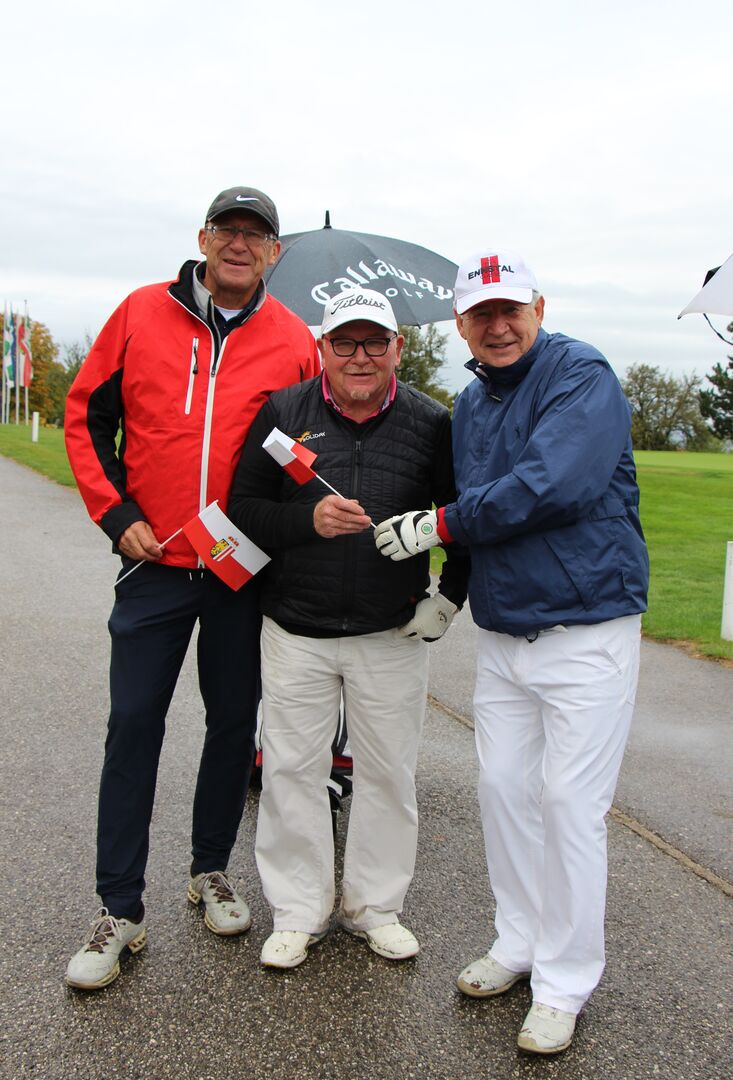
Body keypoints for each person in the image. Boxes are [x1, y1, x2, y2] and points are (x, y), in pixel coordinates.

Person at [374, 250, 649, 1054]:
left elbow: (551, 484)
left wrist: (435, 527)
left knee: (567, 803)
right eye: (480, 315)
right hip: (504, 630)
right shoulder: (470, 404)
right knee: (501, 791)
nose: (497, 327)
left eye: (510, 310)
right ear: (461, 324)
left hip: (586, 624)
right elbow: (472, 508)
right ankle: (519, 940)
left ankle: (564, 981)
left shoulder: (579, 374)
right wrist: (449, 593)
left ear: (538, 308)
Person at [63, 186, 321, 991]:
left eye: (256, 235)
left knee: (232, 723)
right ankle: (119, 908)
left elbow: (305, 455)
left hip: (240, 571)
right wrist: (116, 514)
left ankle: (209, 868)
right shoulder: (141, 312)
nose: (240, 245)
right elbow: (85, 417)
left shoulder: (294, 340)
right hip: (154, 564)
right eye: (228, 230)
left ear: (275, 251)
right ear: (204, 238)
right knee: (133, 724)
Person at [227, 288, 469, 969]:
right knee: (291, 772)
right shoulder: (284, 413)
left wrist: (449, 597)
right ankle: (298, 910)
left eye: (374, 342)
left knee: (388, 774)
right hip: (296, 628)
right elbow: (244, 507)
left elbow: (462, 515)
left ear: (398, 348)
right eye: (344, 342)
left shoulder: (432, 422)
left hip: (389, 632)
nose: (359, 357)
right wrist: (307, 520)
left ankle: (375, 908)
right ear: (322, 349)